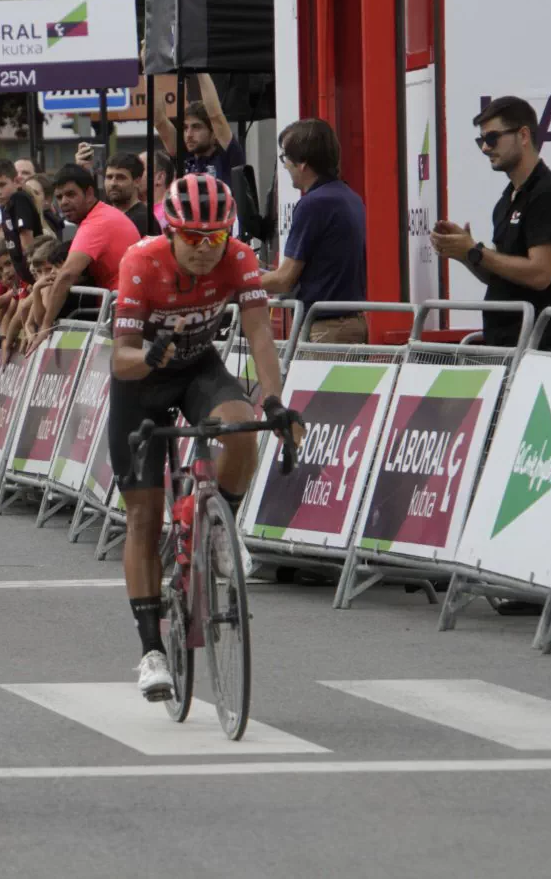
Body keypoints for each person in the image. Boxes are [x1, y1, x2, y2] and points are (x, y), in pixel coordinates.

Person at [109, 175, 300, 700]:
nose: (203, 249)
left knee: (241, 429)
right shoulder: (140, 261)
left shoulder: (237, 258)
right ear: (170, 231)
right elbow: (120, 357)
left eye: (213, 237)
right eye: (191, 238)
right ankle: (151, 652)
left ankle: (220, 524)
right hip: (140, 380)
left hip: (197, 368)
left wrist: (274, 400)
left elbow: (261, 334)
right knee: (144, 516)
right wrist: (147, 355)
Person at [431, 95, 551, 352]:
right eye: (481, 140)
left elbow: (539, 274)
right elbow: (501, 275)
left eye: (492, 138)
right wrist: (464, 254)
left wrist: (476, 251)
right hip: (504, 346)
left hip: (539, 350)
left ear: (523, 136)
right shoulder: (507, 199)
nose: (485, 148)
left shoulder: (549, 194)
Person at [260, 119, 368, 342]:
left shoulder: (313, 204)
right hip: (353, 322)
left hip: (324, 328)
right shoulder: (350, 197)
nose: (286, 166)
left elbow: (284, 280)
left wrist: (237, 282)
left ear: (302, 164)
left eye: (285, 158)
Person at [33, 163, 140, 339]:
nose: (64, 202)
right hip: (118, 310)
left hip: (122, 313)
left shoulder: (96, 223)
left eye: (70, 194)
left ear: (89, 193)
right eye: (59, 197)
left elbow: (67, 275)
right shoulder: (100, 216)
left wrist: (45, 327)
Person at [155, 73, 243, 187]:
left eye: (196, 127)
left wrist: (200, 68)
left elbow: (216, 116)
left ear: (214, 134)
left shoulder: (227, 156)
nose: (189, 134)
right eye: (186, 128)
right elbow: (159, 121)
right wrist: (150, 69)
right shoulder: (185, 157)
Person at [0, 159, 43, 281]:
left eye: (1, 185)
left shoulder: (19, 199)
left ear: (16, 182)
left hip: (34, 272)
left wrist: (33, 271)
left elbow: (27, 241)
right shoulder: (4, 205)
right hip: (22, 275)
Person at [94, 149, 151, 235]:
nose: (113, 183)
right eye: (109, 177)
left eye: (121, 177)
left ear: (137, 182)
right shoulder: (108, 215)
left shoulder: (143, 221)